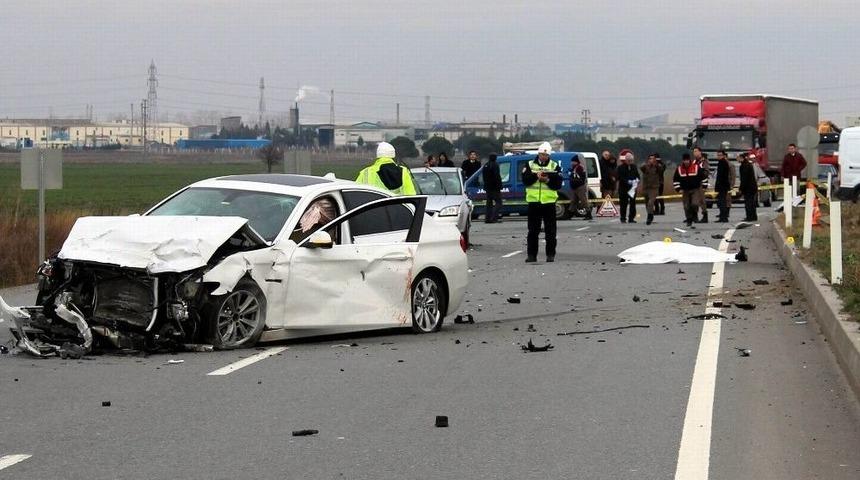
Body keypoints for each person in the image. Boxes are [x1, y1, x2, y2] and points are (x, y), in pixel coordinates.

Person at [522, 142, 562, 263]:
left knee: (550, 231)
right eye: (541, 154)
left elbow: (558, 184)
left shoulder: (555, 166)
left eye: (545, 155)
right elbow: (525, 181)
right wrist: (536, 177)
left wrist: (547, 180)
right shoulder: (529, 165)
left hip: (549, 203)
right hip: (534, 202)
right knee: (533, 231)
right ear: (538, 153)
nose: (543, 156)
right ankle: (531, 255)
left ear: (549, 155)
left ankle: (550, 255)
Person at [673, 153, 708, 227]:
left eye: (687, 160)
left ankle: (695, 215)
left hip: (695, 189)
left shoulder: (696, 167)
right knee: (686, 206)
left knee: (695, 204)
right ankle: (689, 219)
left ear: (689, 160)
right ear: (683, 161)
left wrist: (704, 186)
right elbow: (675, 180)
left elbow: (703, 177)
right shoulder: (679, 169)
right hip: (685, 190)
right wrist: (678, 189)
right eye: (684, 160)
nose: (686, 162)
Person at [616, 150, 640, 223]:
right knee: (623, 204)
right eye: (628, 160)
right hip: (623, 188)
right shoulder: (620, 168)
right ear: (625, 160)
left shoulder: (634, 167)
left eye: (631, 160)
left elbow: (637, 175)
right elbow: (620, 177)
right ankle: (623, 218)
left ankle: (631, 218)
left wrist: (637, 180)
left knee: (633, 204)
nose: (630, 162)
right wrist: (627, 181)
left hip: (632, 189)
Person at [713, 149, 736, 223]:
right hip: (722, 186)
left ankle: (724, 217)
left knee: (722, 202)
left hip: (723, 186)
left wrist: (721, 186)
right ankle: (722, 217)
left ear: (723, 156)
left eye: (720, 155)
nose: (718, 156)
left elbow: (722, 177)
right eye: (718, 155)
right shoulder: (721, 162)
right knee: (721, 202)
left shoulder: (723, 163)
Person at [640, 153, 661, 225]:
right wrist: (647, 164)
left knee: (650, 202)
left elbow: (661, 169)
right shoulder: (645, 167)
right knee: (647, 203)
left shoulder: (657, 167)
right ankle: (650, 214)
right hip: (646, 187)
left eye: (653, 159)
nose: (651, 160)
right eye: (650, 158)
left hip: (654, 187)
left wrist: (656, 164)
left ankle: (649, 217)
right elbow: (641, 167)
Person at [482, 152, 503, 223]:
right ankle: (494, 218)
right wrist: (500, 186)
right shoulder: (495, 165)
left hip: (488, 187)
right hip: (495, 187)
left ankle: (487, 218)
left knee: (489, 203)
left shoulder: (486, 165)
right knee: (499, 202)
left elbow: (484, 177)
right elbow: (497, 177)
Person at [569, 155, 592, 220]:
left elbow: (581, 177)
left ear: (576, 162)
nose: (571, 163)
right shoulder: (574, 167)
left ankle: (588, 214)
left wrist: (574, 181)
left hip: (580, 187)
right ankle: (570, 213)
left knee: (583, 201)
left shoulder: (579, 168)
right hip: (575, 187)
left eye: (572, 161)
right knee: (574, 201)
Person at [739, 152, 759, 221]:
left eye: (740, 158)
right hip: (752, 187)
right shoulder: (749, 165)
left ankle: (749, 217)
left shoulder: (744, 166)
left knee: (748, 203)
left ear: (743, 158)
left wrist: (741, 188)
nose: (738, 159)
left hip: (748, 188)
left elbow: (744, 178)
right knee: (752, 203)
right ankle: (753, 216)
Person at [692, 147, 709, 223]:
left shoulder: (704, 161)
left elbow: (706, 172)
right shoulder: (694, 161)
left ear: (700, 152)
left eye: (696, 151)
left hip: (701, 183)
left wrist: (699, 172)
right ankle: (694, 216)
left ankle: (705, 216)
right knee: (693, 201)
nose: (694, 153)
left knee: (702, 201)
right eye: (694, 151)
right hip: (694, 184)